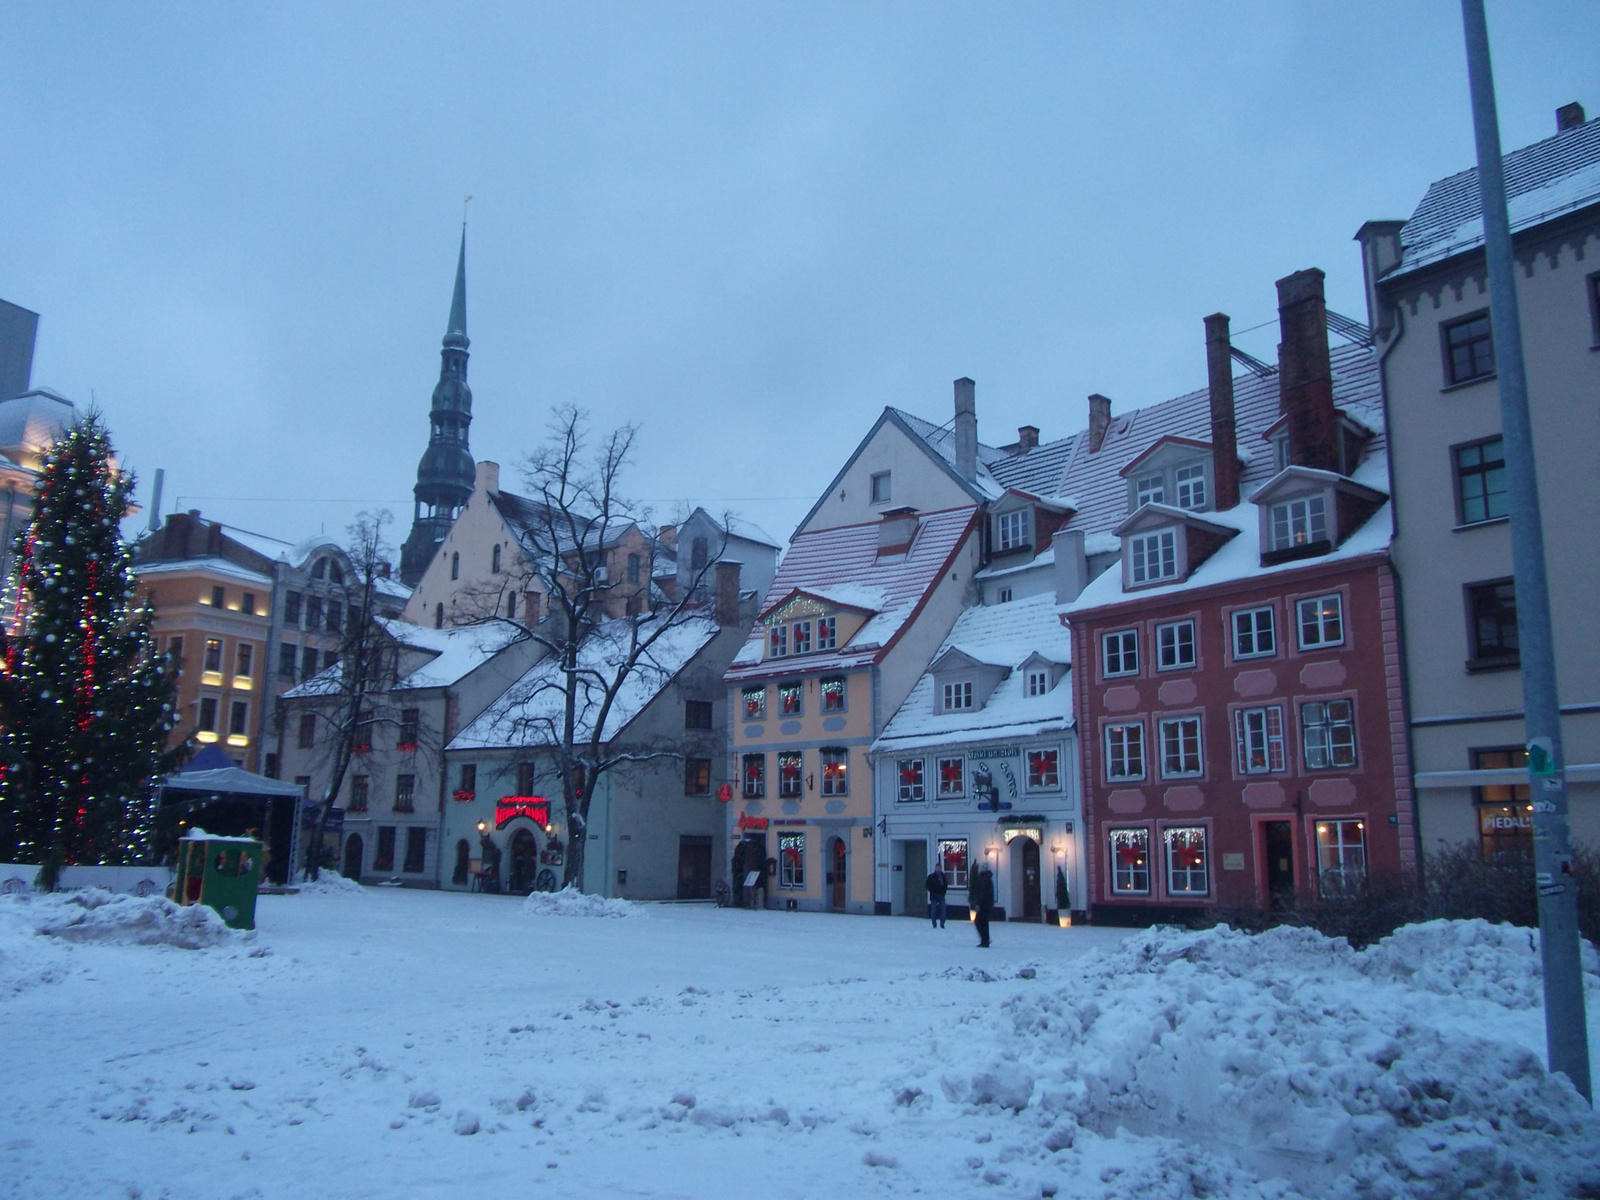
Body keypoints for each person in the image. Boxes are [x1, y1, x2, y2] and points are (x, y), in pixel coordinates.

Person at [971, 866, 995, 948]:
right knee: (984, 923)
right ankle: (985, 940)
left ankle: (985, 940)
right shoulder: (987, 879)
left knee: (979, 922)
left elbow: (983, 894)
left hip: (984, 905)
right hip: (987, 905)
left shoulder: (984, 880)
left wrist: (976, 902)